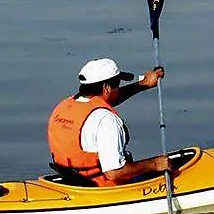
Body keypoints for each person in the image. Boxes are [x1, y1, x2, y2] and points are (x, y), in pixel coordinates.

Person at [48, 58, 171, 186]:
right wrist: (155, 164)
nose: (118, 89)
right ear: (106, 87)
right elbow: (115, 172)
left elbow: (102, 101)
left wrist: (143, 84)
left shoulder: (65, 106)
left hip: (72, 181)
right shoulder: (107, 120)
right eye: (117, 85)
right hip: (102, 187)